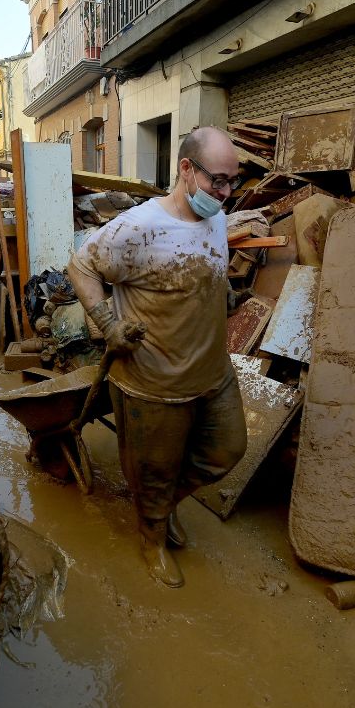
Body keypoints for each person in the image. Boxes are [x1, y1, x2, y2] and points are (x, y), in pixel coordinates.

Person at [68, 126, 247, 588]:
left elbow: (203, 266)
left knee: (227, 449)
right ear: (186, 169)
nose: (225, 194)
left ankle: (162, 508)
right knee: (154, 472)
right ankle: (152, 539)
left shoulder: (216, 217)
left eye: (233, 182)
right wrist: (108, 325)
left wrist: (220, 292)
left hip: (212, 372)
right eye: (218, 181)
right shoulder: (138, 227)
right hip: (155, 381)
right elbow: (81, 266)